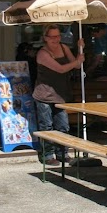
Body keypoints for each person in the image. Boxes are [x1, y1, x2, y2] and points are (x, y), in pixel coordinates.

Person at [32, 24, 85, 165]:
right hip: (44, 95)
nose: (56, 39)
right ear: (45, 38)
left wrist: (80, 49)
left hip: (60, 94)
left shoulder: (64, 47)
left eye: (58, 36)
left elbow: (78, 65)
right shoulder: (42, 53)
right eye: (52, 37)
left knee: (63, 126)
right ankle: (47, 155)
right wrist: (76, 62)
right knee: (47, 126)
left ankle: (62, 152)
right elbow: (60, 69)